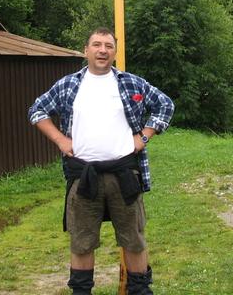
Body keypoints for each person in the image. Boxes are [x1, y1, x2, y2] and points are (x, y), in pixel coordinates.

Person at [28, 27, 174, 295]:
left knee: (134, 239)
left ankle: (140, 291)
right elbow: (37, 110)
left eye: (108, 46)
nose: (102, 50)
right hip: (83, 176)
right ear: (86, 50)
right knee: (82, 241)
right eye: (97, 45)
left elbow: (165, 104)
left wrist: (144, 136)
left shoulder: (131, 83)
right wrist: (60, 140)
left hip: (125, 174)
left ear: (115, 52)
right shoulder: (68, 85)